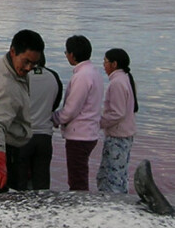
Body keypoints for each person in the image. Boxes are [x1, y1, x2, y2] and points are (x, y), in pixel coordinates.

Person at [0, 29, 45, 195]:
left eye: (34, 64)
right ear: (13, 51)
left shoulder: (3, 63)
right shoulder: (5, 86)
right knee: (3, 199)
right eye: (26, 61)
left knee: (9, 195)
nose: (29, 68)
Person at [52, 35, 104, 191]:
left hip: (80, 135)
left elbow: (71, 110)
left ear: (72, 55)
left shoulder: (82, 76)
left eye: (66, 52)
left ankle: (80, 204)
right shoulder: (94, 72)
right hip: (90, 132)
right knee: (79, 174)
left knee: (77, 180)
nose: (66, 55)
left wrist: (54, 118)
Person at [97, 47, 139, 194]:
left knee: (112, 175)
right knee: (119, 173)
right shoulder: (125, 79)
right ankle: (120, 198)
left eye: (105, 62)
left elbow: (117, 113)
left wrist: (98, 123)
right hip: (124, 134)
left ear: (114, 64)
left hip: (118, 136)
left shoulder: (117, 83)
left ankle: (114, 201)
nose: (104, 65)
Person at [18, 52, 62, 189]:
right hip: (44, 136)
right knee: (42, 183)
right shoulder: (53, 76)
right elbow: (54, 104)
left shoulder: (21, 77)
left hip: (22, 136)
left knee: (19, 184)